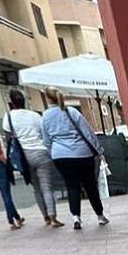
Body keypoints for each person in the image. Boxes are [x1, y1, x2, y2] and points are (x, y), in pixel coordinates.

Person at [41, 87, 108, 231]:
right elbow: (88, 132)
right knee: (90, 186)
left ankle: (76, 217)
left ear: (47, 98)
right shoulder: (72, 112)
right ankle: (100, 216)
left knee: (71, 186)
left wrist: (54, 153)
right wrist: (99, 150)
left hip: (61, 156)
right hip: (82, 153)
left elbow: (46, 140)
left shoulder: (45, 116)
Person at [3, 89, 63, 227]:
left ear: (11, 102)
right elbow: (44, 134)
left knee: (36, 188)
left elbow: (8, 138)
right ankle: (53, 217)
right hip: (41, 153)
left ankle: (45, 217)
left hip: (24, 156)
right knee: (47, 186)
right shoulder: (35, 115)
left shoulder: (8, 117)